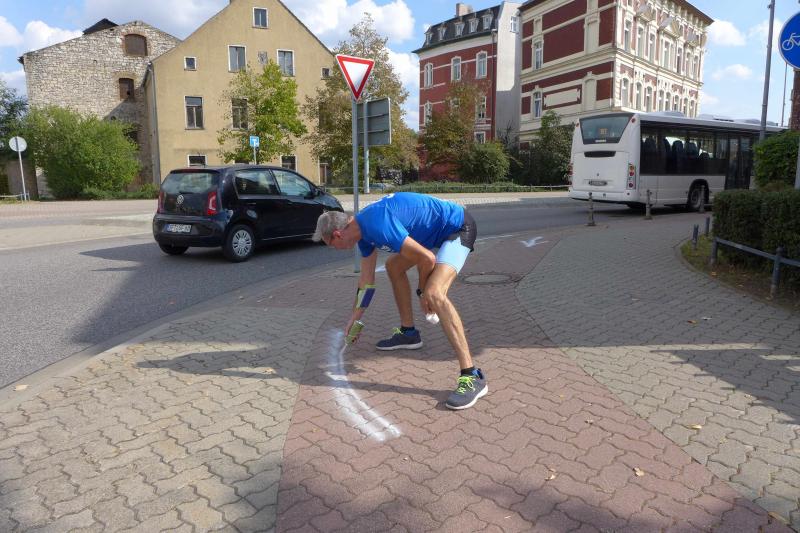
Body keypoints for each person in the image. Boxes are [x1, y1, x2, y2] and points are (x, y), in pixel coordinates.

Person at [313, 192, 486, 410]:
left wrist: (422, 293)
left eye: (330, 244)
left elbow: (427, 259)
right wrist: (354, 319)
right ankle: (408, 333)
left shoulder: (376, 223)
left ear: (338, 235)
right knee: (393, 266)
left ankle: (472, 375)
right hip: (430, 236)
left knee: (434, 293)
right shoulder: (362, 234)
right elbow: (366, 282)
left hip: (457, 228)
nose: (333, 249)